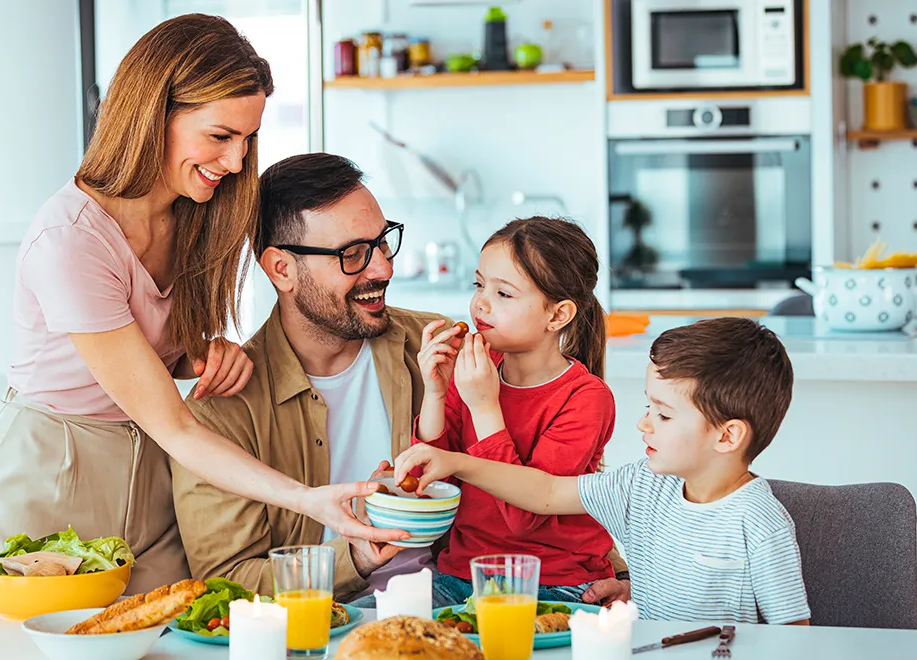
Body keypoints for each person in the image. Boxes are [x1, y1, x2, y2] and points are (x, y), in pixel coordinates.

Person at [0, 16, 398, 595]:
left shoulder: (199, 213)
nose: (239, 162)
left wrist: (197, 355)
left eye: (249, 139)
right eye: (220, 137)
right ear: (153, 116)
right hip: (58, 467)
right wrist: (309, 500)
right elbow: (175, 423)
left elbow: (153, 374)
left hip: (156, 469)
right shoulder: (71, 240)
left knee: (166, 637)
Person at [172, 154, 629, 604]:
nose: (383, 269)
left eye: (383, 242)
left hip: (468, 600)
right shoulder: (221, 409)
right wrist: (356, 556)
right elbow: (226, 583)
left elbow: (554, 485)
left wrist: (625, 576)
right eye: (352, 254)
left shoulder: (442, 348)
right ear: (281, 269)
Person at [396, 317, 812, 624]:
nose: (644, 423)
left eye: (664, 415)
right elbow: (543, 491)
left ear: (727, 437)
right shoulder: (640, 484)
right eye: (649, 407)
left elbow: (795, 637)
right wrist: (455, 461)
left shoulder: (759, 522)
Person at [412, 217, 621, 607]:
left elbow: (526, 516)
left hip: (555, 585)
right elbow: (434, 485)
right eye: (479, 284)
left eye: (504, 294)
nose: (481, 302)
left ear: (557, 315)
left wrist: (485, 406)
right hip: (462, 575)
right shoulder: (474, 370)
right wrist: (436, 392)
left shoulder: (586, 398)